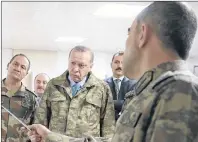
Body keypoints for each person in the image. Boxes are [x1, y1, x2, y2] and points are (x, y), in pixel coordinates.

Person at [27, 2, 198, 142]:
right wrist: (50, 136)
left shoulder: (182, 92)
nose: (125, 43)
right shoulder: (152, 92)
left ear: (142, 34)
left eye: (129, 32)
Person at [34, 45, 115, 138]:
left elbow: (109, 129)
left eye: (81, 65)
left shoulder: (102, 88)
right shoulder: (53, 85)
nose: (75, 69)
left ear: (90, 67)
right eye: (72, 63)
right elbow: (40, 121)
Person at [1, 54, 37, 142]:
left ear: (26, 73)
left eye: (23, 67)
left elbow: (36, 129)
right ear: (8, 65)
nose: (18, 68)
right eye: (15, 64)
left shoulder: (31, 98)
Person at [105, 51, 136, 121]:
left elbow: (131, 105)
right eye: (116, 62)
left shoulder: (134, 84)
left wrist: (108, 102)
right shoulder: (102, 84)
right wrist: (122, 102)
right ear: (111, 65)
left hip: (126, 124)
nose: (119, 66)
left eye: (123, 63)